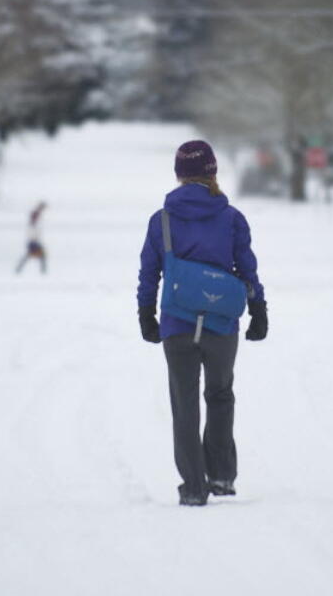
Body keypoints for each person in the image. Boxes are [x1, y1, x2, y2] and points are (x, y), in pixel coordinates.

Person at [136, 139, 267, 506]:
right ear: (212, 172)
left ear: (179, 175)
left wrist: (146, 315)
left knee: (185, 403)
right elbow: (247, 268)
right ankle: (222, 476)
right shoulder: (231, 219)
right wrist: (258, 309)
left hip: (177, 324)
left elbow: (150, 273)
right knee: (221, 395)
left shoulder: (161, 220)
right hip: (222, 324)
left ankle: (194, 487)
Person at [15, 201, 47, 273]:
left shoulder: (36, 218)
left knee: (37, 255)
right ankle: (43, 271)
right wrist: (34, 240)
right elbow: (32, 231)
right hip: (33, 241)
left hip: (33, 240)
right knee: (39, 255)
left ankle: (19, 269)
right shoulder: (34, 220)